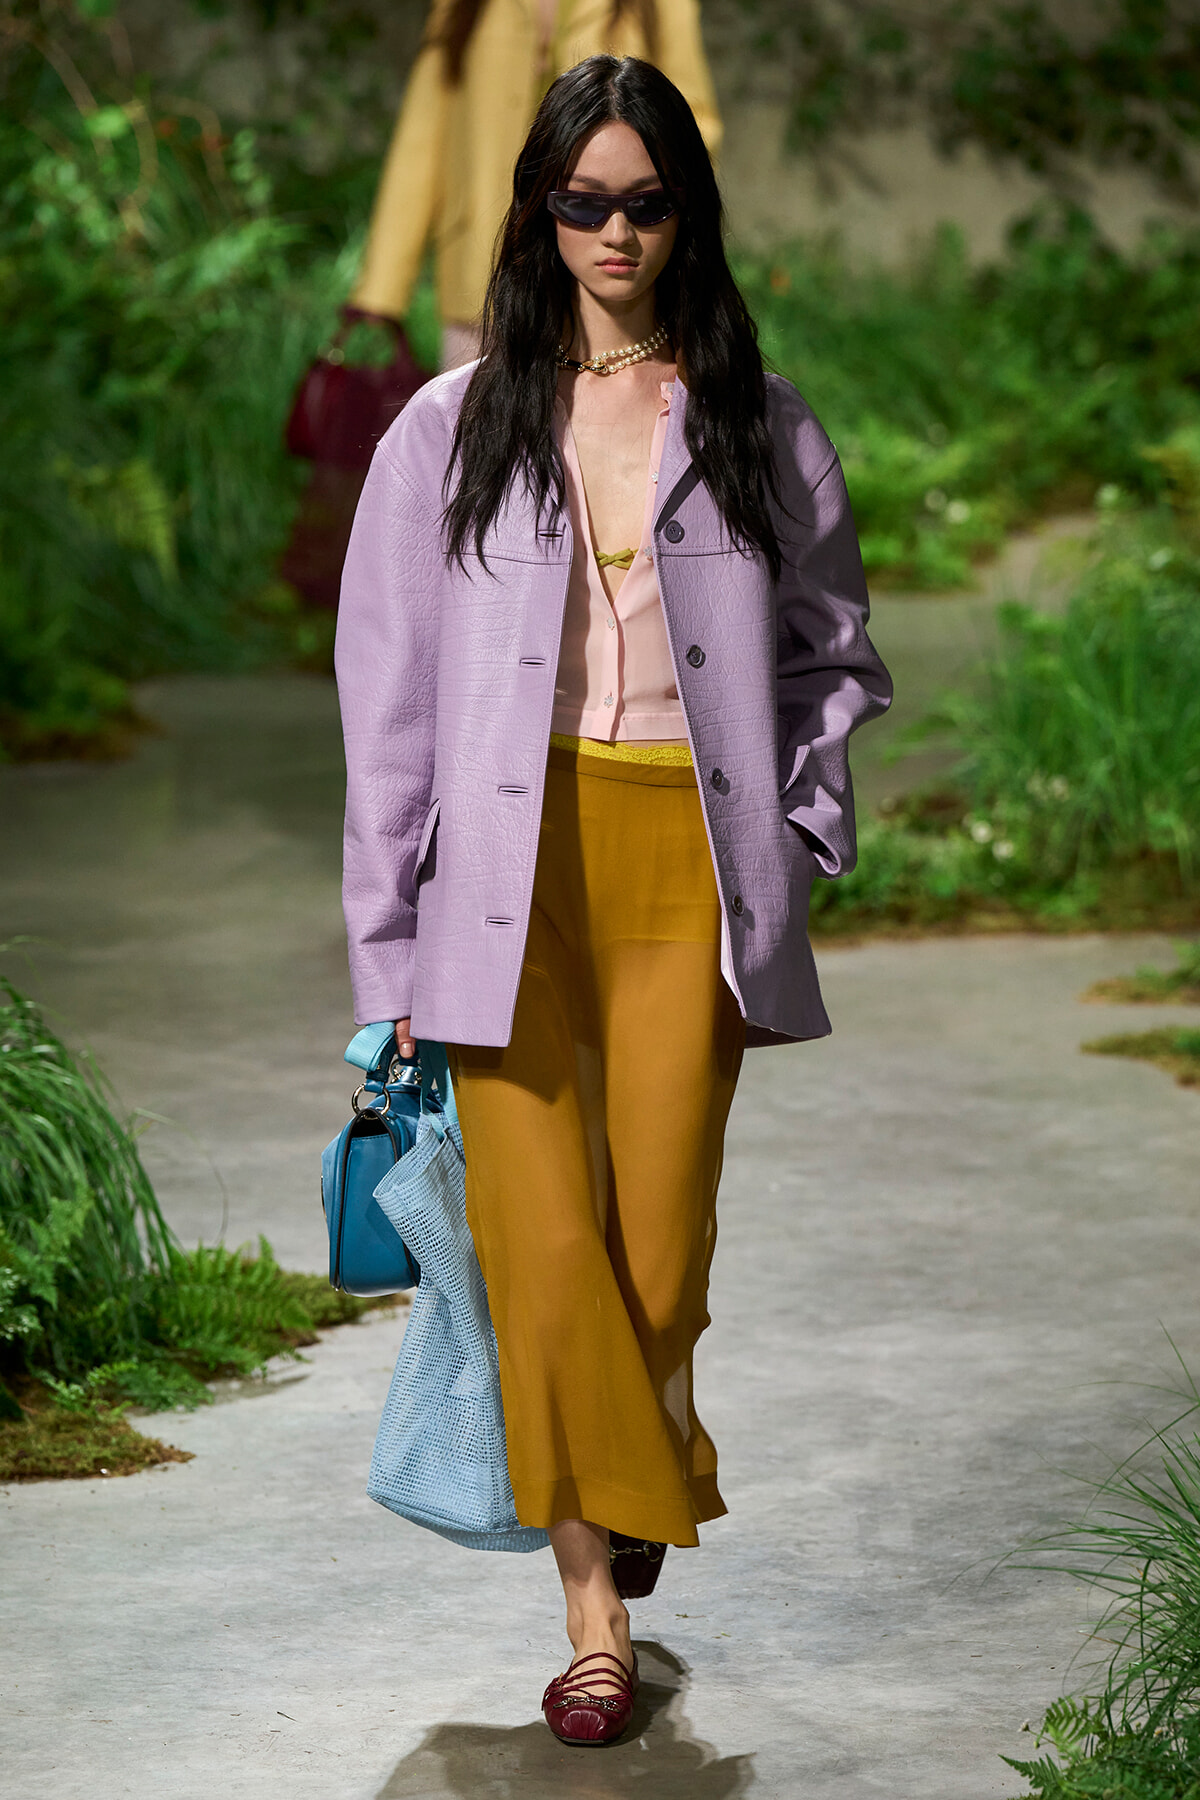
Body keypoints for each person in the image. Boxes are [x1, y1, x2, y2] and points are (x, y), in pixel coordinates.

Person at [335, 55, 892, 1746]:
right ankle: (591, 1622)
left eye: (645, 199)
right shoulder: (452, 426)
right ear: (539, 211)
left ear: (685, 214)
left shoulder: (756, 417)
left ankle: (635, 1457)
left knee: (660, 1254)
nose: (614, 228)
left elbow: (838, 657)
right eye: (582, 199)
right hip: (502, 892)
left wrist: (799, 836)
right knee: (547, 1253)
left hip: (684, 880)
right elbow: (388, 711)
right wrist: (386, 961)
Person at [351, 0, 721, 369]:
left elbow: (692, 123)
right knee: (475, 417)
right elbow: (422, 139)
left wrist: (652, 208)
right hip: (482, 270)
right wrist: (381, 290)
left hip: (614, 282)